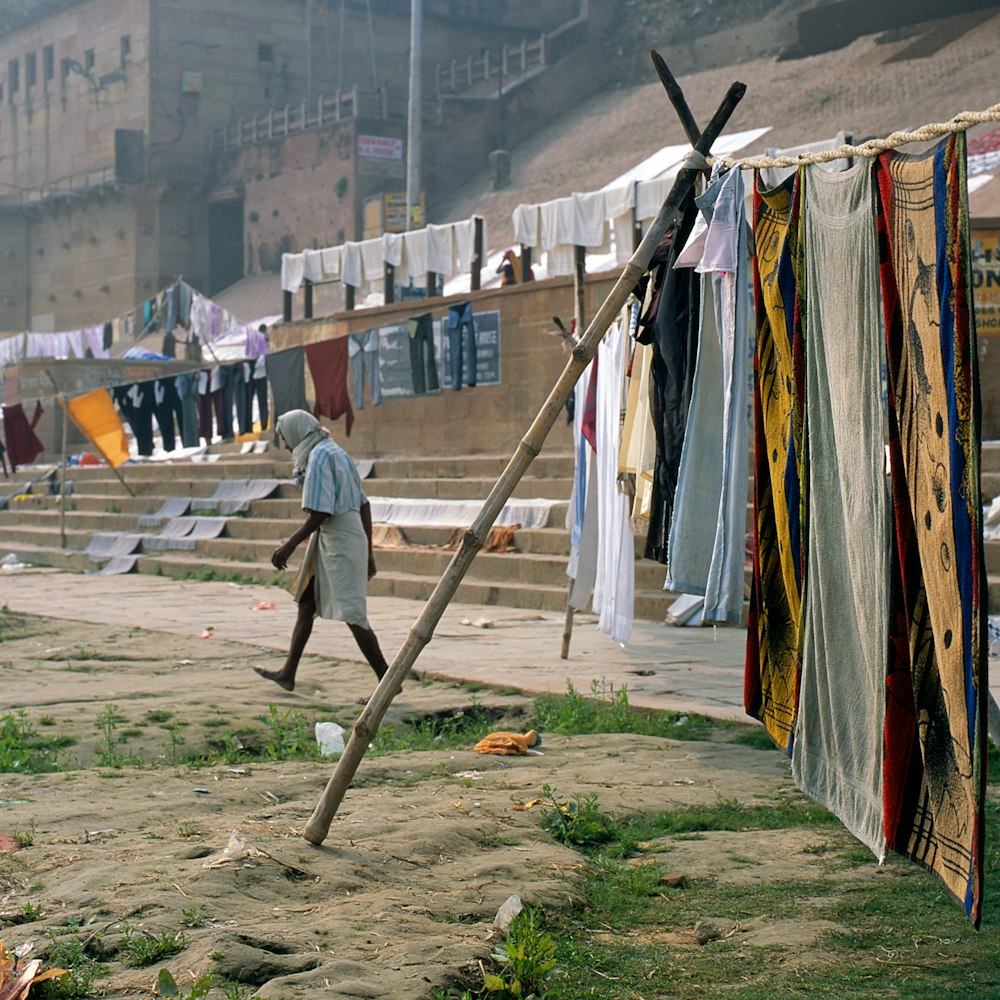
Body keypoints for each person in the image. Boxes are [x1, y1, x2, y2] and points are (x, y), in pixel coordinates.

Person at [254, 409, 389, 691]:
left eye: (286, 439)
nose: (287, 446)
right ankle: (287, 673)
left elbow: (321, 512)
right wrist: (368, 550)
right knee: (307, 603)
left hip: (340, 539)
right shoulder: (335, 451)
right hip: (341, 537)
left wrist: (289, 545)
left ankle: (387, 681)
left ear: (296, 434)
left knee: (353, 614)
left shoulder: (319, 457)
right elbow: (364, 504)